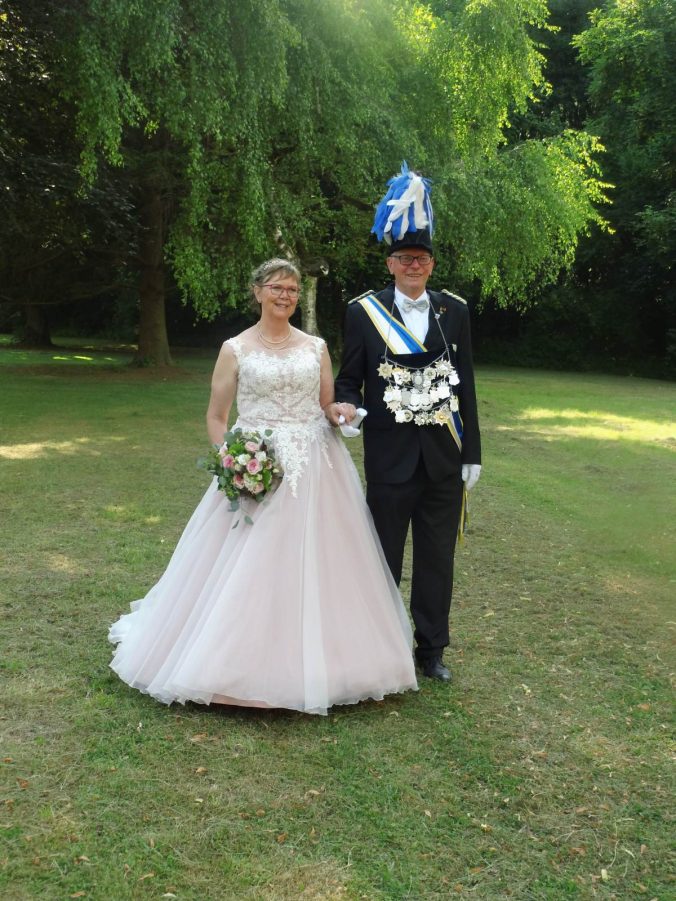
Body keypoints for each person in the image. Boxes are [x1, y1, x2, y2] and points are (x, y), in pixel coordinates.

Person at [108, 258, 417, 715]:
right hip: (257, 463)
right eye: (276, 287)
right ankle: (232, 668)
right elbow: (217, 416)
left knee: (326, 561)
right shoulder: (235, 349)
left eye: (291, 289)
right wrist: (231, 460)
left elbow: (326, 403)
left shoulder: (316, 347)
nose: (284, 296)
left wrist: (340, 413)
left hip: (317, 467)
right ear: (257, 292)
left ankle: (334, 664)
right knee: (247, 565)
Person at [328, 164, 482, 683]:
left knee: (437, 561)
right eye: (404, 258)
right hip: (390, 458)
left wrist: (472, 453)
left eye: (422, 258)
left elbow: (465, 385)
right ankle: (378, 646)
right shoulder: (362, 312)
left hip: (443, 461)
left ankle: (431, 650)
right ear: (390, 263)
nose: (413, 266)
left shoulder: (454, 311)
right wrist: (348, 407)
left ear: (432, 265)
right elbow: (349, 378)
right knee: (383, 559)